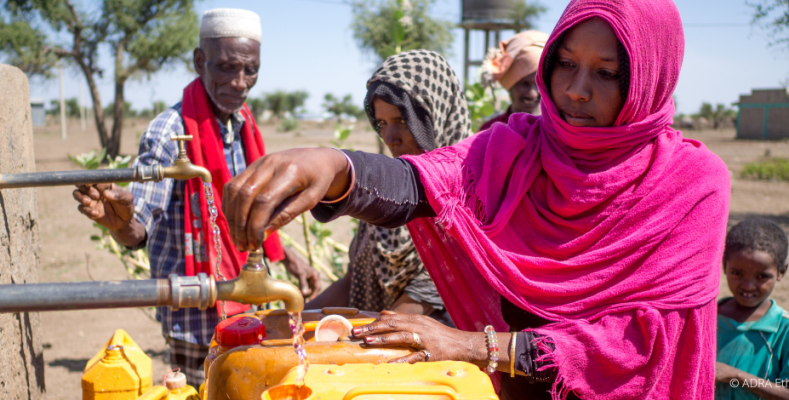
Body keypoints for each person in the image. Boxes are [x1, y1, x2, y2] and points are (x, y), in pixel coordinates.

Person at [222, 0, 730, 398]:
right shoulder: (516, 147)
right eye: (567, 64)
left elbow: (640, 345)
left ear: (649, 79)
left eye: (607, 73)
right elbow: (422, 183)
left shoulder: (691, 185)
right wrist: (335, 166)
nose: (575, 90)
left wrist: (473, 345)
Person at [71, 8, 319, 386]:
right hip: (196, 315)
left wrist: (290, 260)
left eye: (250, 70)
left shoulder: (244, 123)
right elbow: (138, 229)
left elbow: (246, 215)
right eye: (227, 68)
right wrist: (120, 222)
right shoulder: (169, 131)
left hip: (251, 303)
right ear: (200, 62)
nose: (240, 82)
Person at [305, 50, 470, 324]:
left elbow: (419, 302)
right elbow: (351, 282)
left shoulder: (464, 199)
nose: (390, 137)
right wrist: (290, 322)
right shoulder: (386, 195)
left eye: (402, 121)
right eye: (382, 123)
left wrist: (351, 340)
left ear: (436, 115)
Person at [716, 218, 789, 400]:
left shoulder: (783, 330)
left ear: (781, 271)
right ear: (725, 265)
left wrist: (736, 376)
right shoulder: (706, 318)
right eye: (737, 273)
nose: (748, 286)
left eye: (761, 276)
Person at [479, 30, 549, 131]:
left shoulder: (559, 133)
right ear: (510, 84)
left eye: (538, 84)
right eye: (525, 84)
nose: (532, 94)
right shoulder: (489, 131)